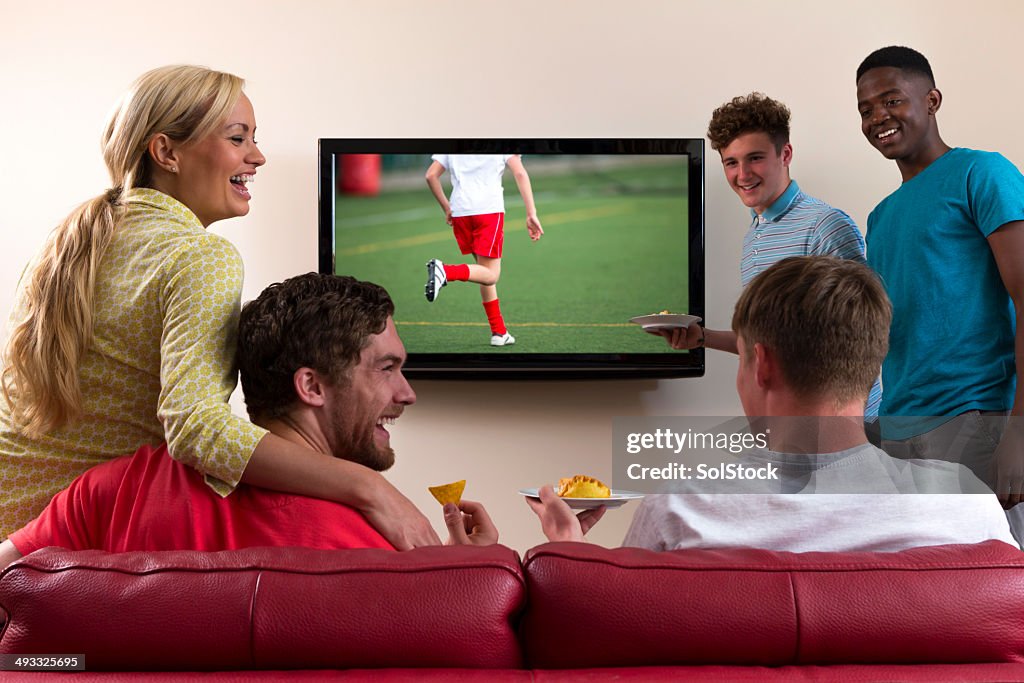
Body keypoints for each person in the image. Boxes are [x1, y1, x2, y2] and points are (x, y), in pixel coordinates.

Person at [0, 65, 438, 549]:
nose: (258, 156)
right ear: (167, 152)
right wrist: (370, 489)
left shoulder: (62, 249)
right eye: (237, 138)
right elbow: (196, 428)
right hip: (70, 552)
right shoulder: (200, 256)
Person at [0, 273, 496, 568]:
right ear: (312, 387)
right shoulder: (382, 545)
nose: (406, 394)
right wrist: (465, 573)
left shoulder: (113, 493)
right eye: (387, 369)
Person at [528, 256, 1016, 552]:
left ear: (760, 365)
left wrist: (569, 554)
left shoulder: (681, 509)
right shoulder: (968, 505)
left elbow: (620, 630)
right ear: (872, 364)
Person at [855, 46, 1024, 507]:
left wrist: (1020, 431)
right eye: (865, 109)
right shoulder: (880, 217)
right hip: (900, 432)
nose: (877, 117)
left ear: (932, 100)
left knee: (996, 576)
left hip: (976, 420)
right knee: (924, 577)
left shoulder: (981, 172)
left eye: (891, 100)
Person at [659, 93, 881, 419]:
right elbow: (766, 341)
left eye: (755, 158)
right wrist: (701, 338)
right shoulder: (754, 238)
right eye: (731, 162)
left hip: (841, 431)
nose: (743, 174)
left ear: (785, 153)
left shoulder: (824, 226)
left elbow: (863, 337)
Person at [423, 154, 544, 346]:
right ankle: (445, 271)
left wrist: (447, 207)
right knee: (491, 275)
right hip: (488, 211)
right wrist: (531, 213)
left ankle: (499, 332)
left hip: (461, 211)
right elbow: (520, 173)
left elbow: (431, 175)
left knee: (482, 271)